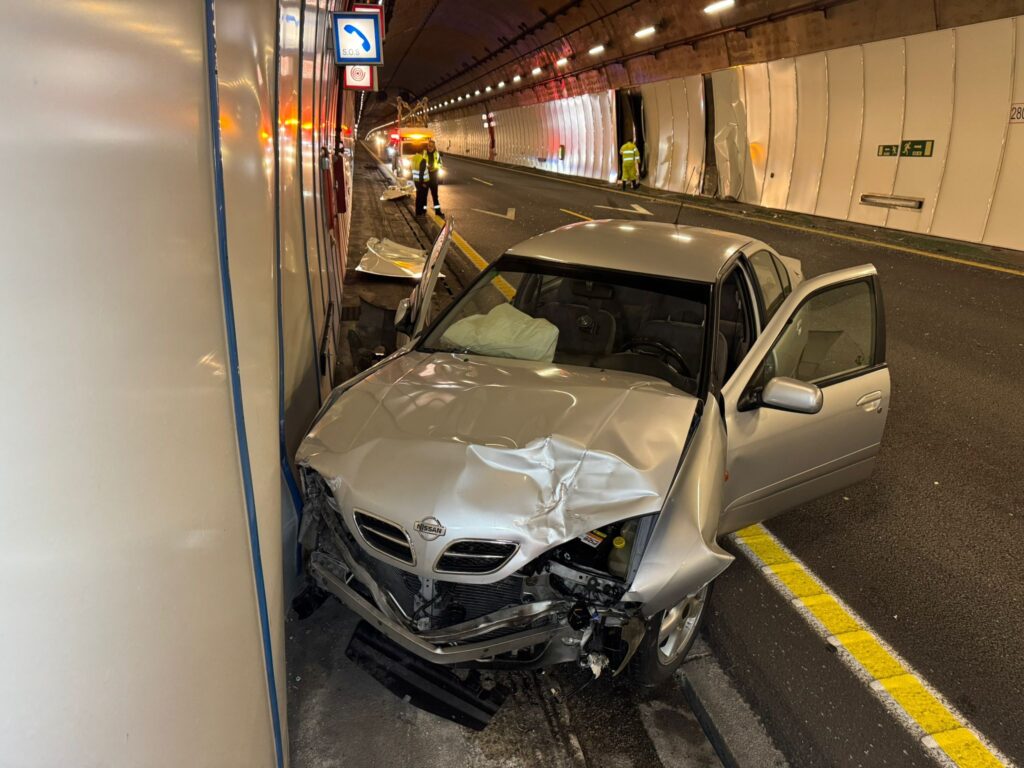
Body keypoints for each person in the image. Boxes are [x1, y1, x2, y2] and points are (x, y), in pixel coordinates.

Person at [413, 139, 444, 217]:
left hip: (434, 177)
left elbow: (440, 164)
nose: (430, 147)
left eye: (432, 146)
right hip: (426, 177)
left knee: (435, 196)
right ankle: (423, 210)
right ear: (427, 146)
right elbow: (421, 162)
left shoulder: (437, 154)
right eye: (429, 146)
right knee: (424, 196)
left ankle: (438, 211)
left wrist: (434, 167)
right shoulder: (424, 153)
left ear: (434, 147)